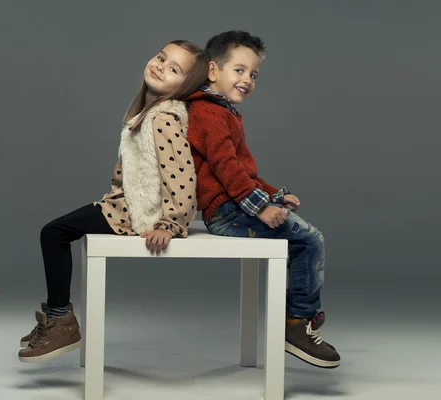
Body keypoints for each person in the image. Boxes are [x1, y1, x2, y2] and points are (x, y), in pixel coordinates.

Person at [18, 40, 208, 363]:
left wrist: (171, 224)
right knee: (56, 232)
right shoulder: (144, 114)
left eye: (174, 68)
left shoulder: (164, 120)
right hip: (121, 206)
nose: (161, 65)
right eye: (161, 57)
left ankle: (60, 319)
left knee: (53, 234)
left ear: (185, 86)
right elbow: (127, 171)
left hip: (135, 216)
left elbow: (184, 177)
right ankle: (58, 316)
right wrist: (109, 198)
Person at [185, 30, 341, 368]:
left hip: (234, 205)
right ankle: (298, 324)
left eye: (253, 74)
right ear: (214, 71)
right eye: (239, 70)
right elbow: (226, 169)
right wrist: (261, 207)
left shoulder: (224, 112)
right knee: (309, 240)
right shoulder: (208, 113)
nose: (247, 80)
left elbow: (243, 170)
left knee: (305, 236)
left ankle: (297, 318)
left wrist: (276, 195)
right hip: (226, 212)